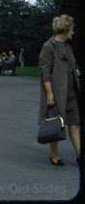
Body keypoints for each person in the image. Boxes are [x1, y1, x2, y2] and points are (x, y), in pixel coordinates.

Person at [38, 14, 80, 166]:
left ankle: (79, 156)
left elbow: (72, 68)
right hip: (55, 93)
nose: (73, 32)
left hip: (71, 93)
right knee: (56, 123)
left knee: (74, 124)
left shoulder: (68, 47)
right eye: (72, 29)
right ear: (66, 29)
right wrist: (49, 93)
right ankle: (54, 155)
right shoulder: (49, 46)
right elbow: (45, 72)